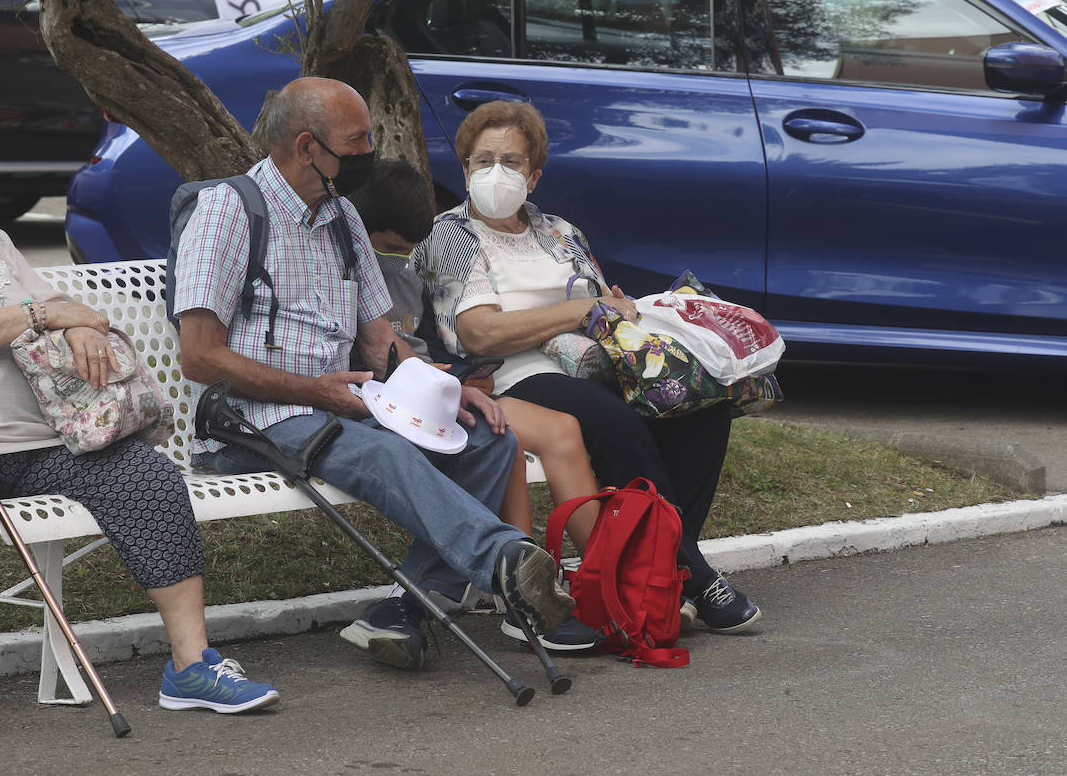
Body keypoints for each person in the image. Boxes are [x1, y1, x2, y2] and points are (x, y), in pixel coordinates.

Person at [0, 106, 278, 739]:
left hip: (37, 439)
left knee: (144, 475)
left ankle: (191, 665)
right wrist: (41, 315)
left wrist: (70, 321)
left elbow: (61, 307)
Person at [175, 77, 575, 672]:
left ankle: (401, 611)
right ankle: (508, 562)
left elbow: (377, 335)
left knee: (487, 439)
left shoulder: (342, 216)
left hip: (346, 404)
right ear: (308, 146)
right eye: (357, 140)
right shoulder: (228, 212)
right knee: (387, 456)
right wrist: (318, 391)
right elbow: (199, 356)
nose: (369, 153)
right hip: (250, 421)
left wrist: (442, 388)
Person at [412, 100, 761, 633]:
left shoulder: (560, 232)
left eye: (511, 161)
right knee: (611, 419)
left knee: (700, 412)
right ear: (464, 169)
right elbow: (478, 331)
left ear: (535, 175)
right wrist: (577, 311)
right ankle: (688, 574)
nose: (496, 172)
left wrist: (611, 307)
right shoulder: (452, 235)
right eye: (483, 161)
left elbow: (601, 299)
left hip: (591, 363)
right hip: (507, 375)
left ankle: (662, 567)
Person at [346, 158, 603, 652]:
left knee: (494, 436)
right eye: (390, 247)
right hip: (381, 401)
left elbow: (424, 344)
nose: (398, 258)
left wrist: (461, 378)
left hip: (431, 391)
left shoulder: (404, 272)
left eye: (406, 250)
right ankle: (515, 593)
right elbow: (373, 355)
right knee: (488, 442)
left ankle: (533, 590)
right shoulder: (357, 269)